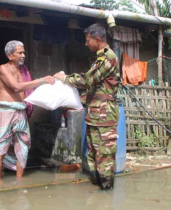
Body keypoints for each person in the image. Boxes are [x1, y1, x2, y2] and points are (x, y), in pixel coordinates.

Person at [54, 23, 120, 189]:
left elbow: (86, 80)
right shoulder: (99, 58)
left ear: (97, 39)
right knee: (93, 153)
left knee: (104, 155)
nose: (86, 43)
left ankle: (106, 193)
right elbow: (95, 88)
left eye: (87, 40)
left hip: (104, 116)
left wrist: (64, 78)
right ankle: (98, 190)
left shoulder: (108, 58)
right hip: (94, 115)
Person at [0, 40, 54, 180]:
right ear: (10, 55)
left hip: (20, 111)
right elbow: (16, 87)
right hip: (5, 110)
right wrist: (42, 81)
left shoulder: (24, 70)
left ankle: (19, 180)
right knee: (1, 147)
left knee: (23, 146)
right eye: (19, 52)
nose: (23, 55)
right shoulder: (3, 68)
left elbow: (27, 89)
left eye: (24, 52)